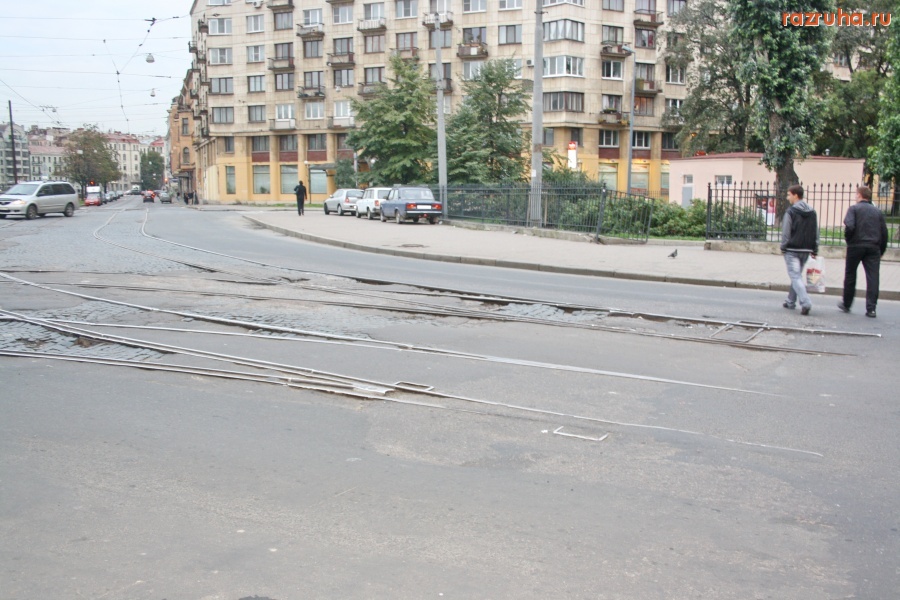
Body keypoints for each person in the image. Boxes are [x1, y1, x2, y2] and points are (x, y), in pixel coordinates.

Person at [838, 185, 889, 318]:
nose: (855, 196)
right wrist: (881, 250)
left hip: (856, 245)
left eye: (856, 194)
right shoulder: (877, 212)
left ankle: (847, 304)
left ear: (860, 195)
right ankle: (871, 309)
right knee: (873, 277)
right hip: (873, 247)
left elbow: (849, 226)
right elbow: (884, 232)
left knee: (850, 275)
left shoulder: (854, 209)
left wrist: (849, 241)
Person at [780, 184, 819, 316]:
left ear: (796, 195)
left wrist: (783, 246)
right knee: (796, 275)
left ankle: (805, 302)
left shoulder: (791, 212)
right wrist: (815, 248)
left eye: (789, 194)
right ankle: (790, 301)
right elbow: (816, 232)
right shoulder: (812, 212)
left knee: (795, 276)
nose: (787, 197)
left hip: (792, 249)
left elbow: (786, 232)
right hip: (806, 250)